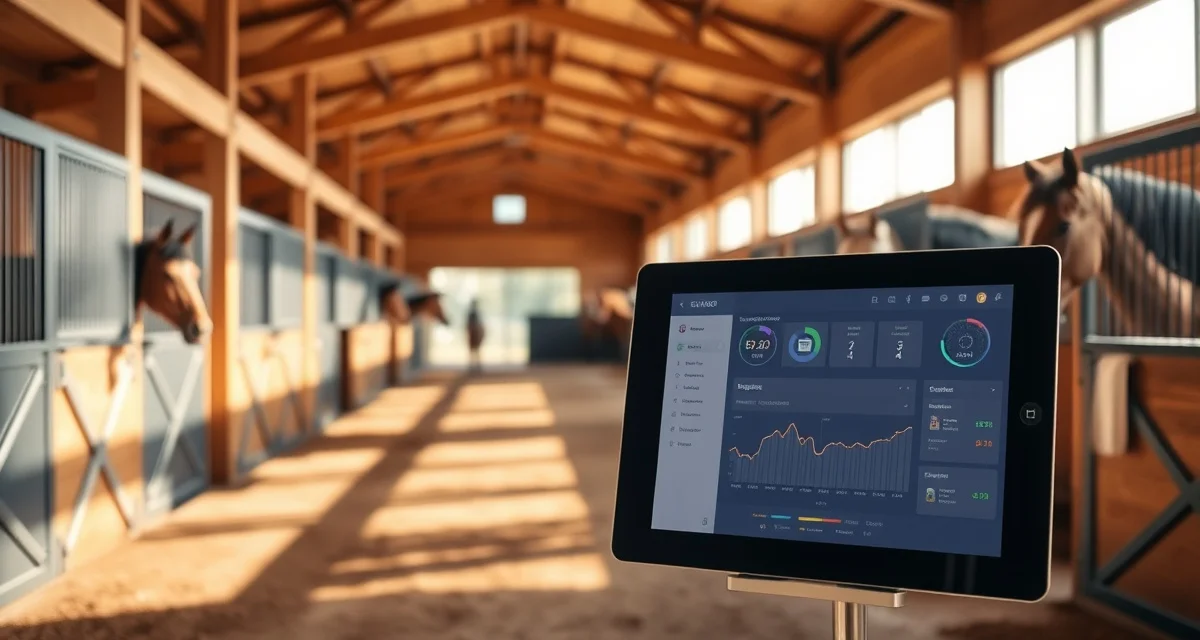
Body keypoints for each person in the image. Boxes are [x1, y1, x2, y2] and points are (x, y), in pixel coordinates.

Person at [466, 298, 485, 373]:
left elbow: (479, 324)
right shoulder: (472, 314)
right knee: (473, 350)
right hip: (473, 333)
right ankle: (474, 365)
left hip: (476, 333)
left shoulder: (476, 313)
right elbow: (469, 325)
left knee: (476, 350)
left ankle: (477, 365)